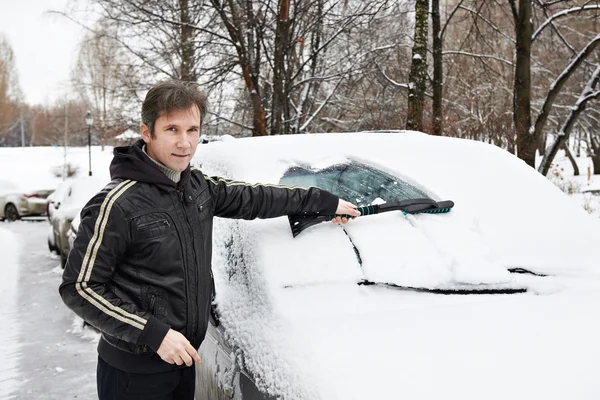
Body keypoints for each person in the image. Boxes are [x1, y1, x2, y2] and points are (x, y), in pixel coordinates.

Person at [59, 80, 360, 399]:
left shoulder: (196, 188)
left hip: (183, 362)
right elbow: (79, 287)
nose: (185, 143)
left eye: (192, 130)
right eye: (172, 129)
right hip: (134, 373)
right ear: (147, 133)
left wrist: (323, 202)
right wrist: (154, 333)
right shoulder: (117, 204)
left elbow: (256, 198)